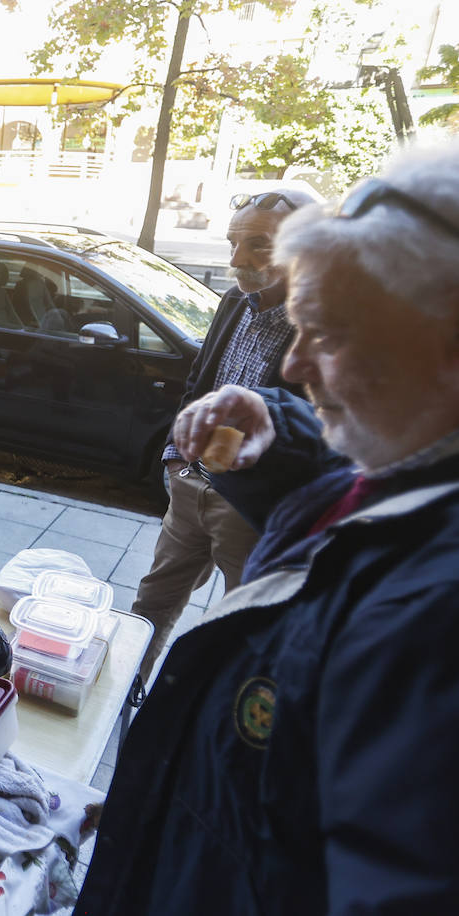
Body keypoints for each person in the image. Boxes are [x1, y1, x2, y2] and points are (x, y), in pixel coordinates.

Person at [76, 146, 459, 915]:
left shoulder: (431, 620)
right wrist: (278, 439)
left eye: (328, 333)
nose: (292, 368)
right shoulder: (404, 468)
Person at [131, 186, 311, 683]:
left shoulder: (320, 321)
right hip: (191, 486)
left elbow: (322, 430)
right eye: (234, 242)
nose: (238, 258)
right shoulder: (236, 298)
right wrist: (174, 459)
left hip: (251, 508)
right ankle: (124, 701)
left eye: (258, 244)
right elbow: (200, 382)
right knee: (152, 602)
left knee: (242, 626)